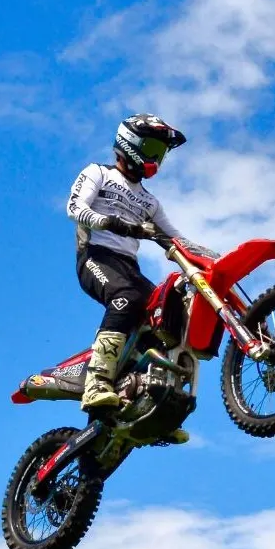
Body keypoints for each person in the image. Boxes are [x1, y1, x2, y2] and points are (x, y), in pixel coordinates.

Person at [66, 114, 190, 441]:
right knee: (127, 299)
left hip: (129, 267)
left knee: (169, 309)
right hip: (96, 256)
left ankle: (152, 402)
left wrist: (210, 256)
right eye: (151, 148)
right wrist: (109, 222)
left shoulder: (150, 201)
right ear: (129, 144)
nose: (155, 158)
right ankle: (96, 383)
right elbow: (74, 206)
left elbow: (177, 239)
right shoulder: (99, 173)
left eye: (160, 152)